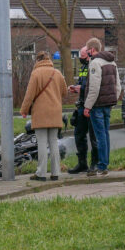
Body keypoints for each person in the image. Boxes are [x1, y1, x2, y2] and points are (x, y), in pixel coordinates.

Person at [20, 51, 68, 181]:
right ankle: (56, 173)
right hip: (55, 112)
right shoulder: (57, 73)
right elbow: (64, 92)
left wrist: (24, 110)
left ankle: (41, 173)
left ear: (38, 60)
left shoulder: (36, 74)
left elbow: (29, 95)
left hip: (40, 113)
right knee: (53, 142)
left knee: (41, 144)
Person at [83, 37, 121, 177]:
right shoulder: (112, 63)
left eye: (88, 51)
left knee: (100, 136)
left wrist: (88, 106)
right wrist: (113, 100)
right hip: (108, 104)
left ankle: (102, 166)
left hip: (97, 105)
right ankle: (105, 163)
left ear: (92, 49)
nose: (87, 53)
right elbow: (118, 86)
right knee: (105, 134)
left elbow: (94, 88)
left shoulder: (95, 64)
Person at [68, 46, 99, 174]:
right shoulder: (83, 67)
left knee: (93, 137)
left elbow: (93, 85)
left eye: (83, 57)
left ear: (89, 55)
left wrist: (82, 88)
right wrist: (76, 87)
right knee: (79, 135)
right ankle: (82, 163)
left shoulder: (94, 65)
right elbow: (83, 81)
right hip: (81, 105)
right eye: (80, 57)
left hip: (92, 105)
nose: (81, 60)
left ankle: (95, 164)